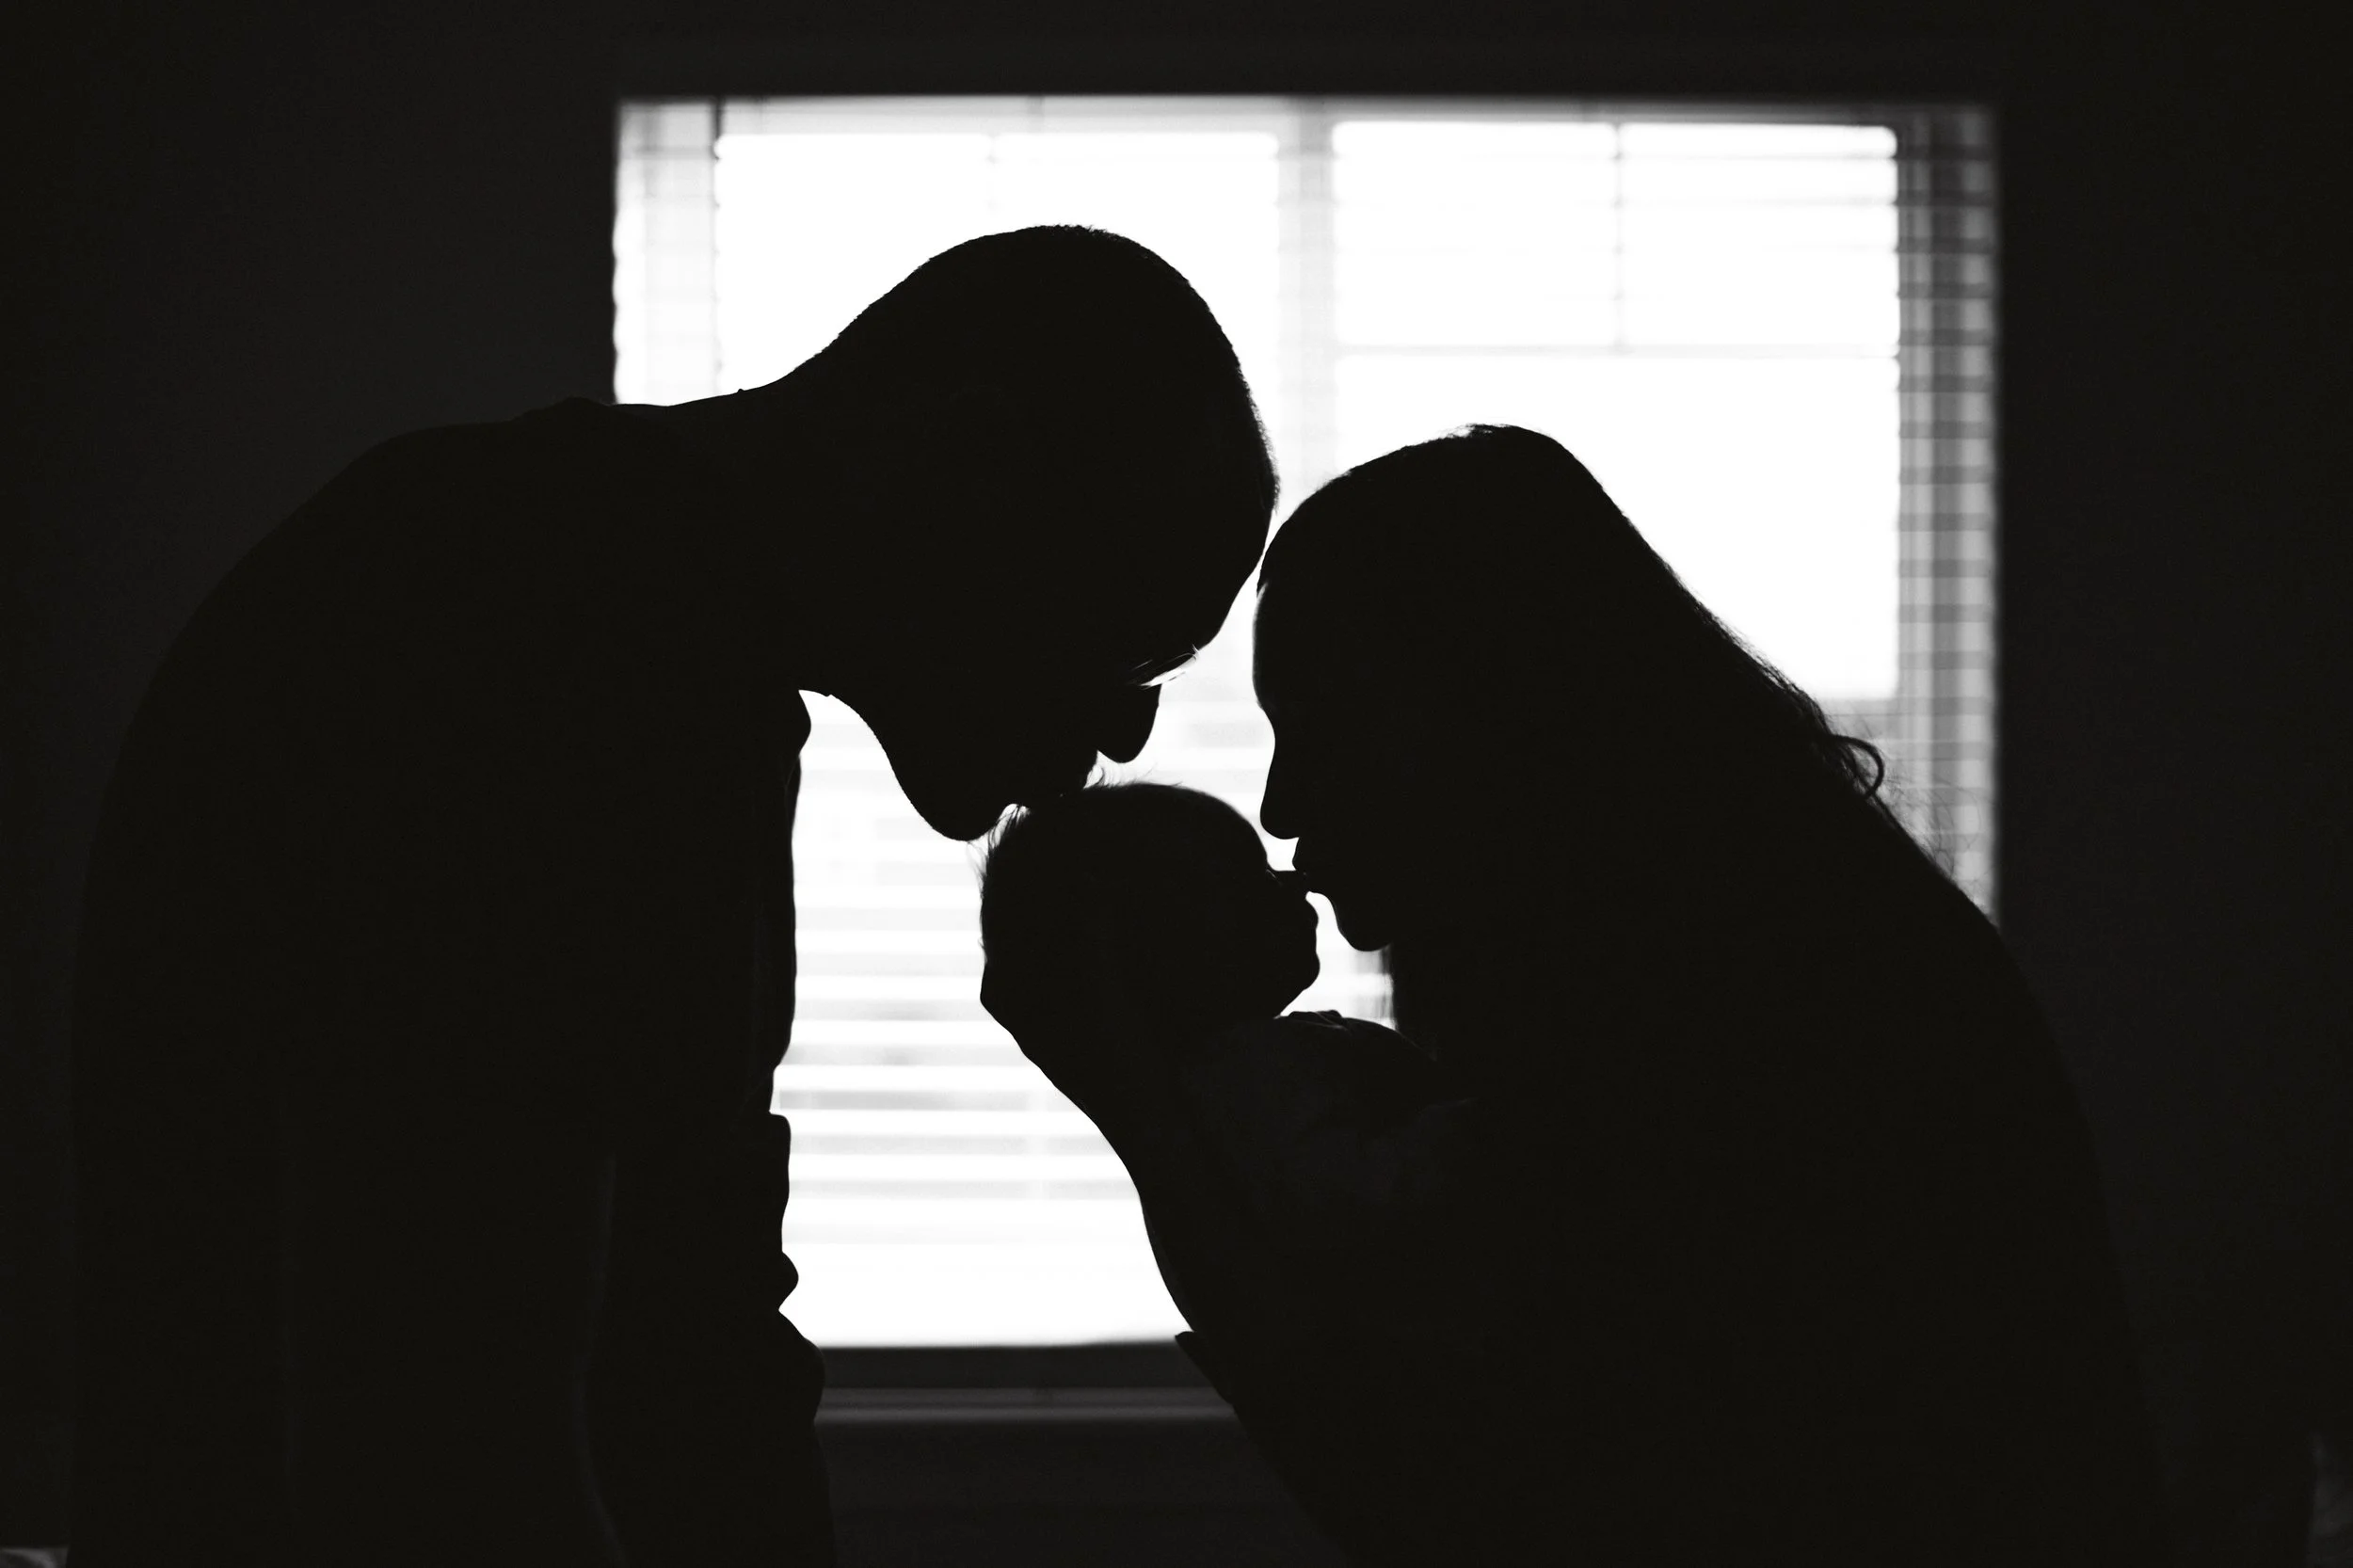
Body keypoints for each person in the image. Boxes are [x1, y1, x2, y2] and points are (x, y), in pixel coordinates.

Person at [70, 226, 1276, 1567]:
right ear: (972, 470)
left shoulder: (667, 653)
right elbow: (447, 1436)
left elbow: (679, 1308)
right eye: (1125, 642)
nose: (1120, 744)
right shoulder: (547, 636)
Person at [990, 424, 2170, 1564]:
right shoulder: (1731, 940)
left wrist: (1150, 1118)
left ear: (1498, 713)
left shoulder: (1728, 1017)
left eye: (1327, 726)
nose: (1285, 805)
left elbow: (1476, 1510)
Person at [977, 780, 1479, 1565]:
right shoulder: (1252, 1076)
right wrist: (1489, 1122)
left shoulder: (1247, 1077)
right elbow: (1364, 1200)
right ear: (1160, 954)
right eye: (1246, 881)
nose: (1291, 880)